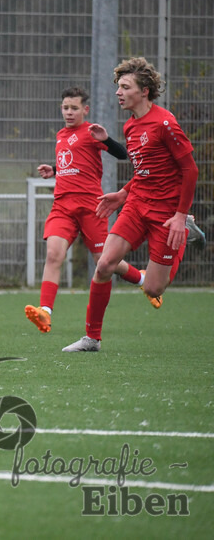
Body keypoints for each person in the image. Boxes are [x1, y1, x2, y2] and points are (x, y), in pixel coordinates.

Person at [62, 57, 198, 352]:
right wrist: (123, 195)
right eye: (118, 86)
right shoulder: (130, 127)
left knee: (153, 288)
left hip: (166, 213)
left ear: (144, 91)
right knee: (105, 264)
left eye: (125, 87)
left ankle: (183, 228)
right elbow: (144, 172)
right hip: (137, 204)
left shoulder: (165, 123)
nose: (118, 92)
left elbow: (190, 170)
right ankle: (92, 338)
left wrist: (179, 215)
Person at [24, 86, 144, 334]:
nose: (69, 112)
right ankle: (45, 312)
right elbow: (74, 165)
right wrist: (55, 171)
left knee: (105, 263)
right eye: (65, 108)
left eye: (74, 108)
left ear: (84, 110)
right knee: (53, 254)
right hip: (63, 207)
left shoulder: (91, 133)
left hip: (92, 208)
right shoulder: (60, 135)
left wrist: (106, 139)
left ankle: (141, 278)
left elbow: (123, 155)